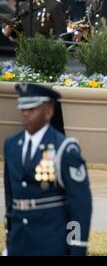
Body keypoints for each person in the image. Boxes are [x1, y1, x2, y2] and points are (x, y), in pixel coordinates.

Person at [3, 83, 92, 255]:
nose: (26, 113)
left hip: (51, 242)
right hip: (19, 242)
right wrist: (10, 237)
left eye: (32, 108)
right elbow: (10, 197)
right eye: (23, 108)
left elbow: (80, 204)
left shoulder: (64, 149)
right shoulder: (12, 145)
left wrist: (77, 247)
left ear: (49, 112)